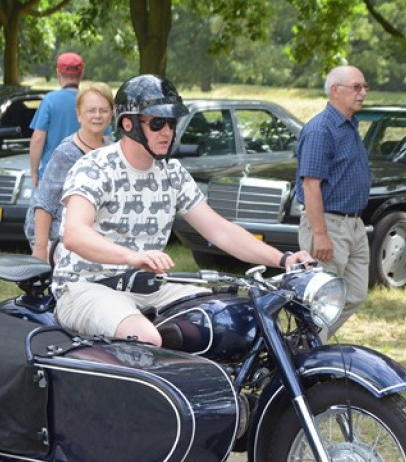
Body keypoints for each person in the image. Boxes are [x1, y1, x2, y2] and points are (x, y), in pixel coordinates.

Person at [52, 74, 313, 346]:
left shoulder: (172, 173)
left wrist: (284, 260)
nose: (167, 131)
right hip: (86, 287)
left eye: (171, 122)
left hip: (148, 286)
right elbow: (75, 234)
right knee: (146, 338)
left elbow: (219, 230)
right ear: (128, 124)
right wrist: (132, 257)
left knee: (226, 319)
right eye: (157, 123)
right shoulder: (95, 167)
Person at [295, 65, 371, 337]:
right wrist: (320, 235)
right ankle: (304, 354)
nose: (363, 93)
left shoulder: (349, 125)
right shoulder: (320, 130)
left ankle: (311, 345)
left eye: (364, 87)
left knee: (355, 294)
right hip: (328, 224)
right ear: (335, 90)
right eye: (356, 87)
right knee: (321, 301)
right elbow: (310, 185)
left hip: (353, 224)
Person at [27, 81, 113, 262]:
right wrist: (40, 250)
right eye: (91, 110)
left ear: (111, 115)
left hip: (104, 242)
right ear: (79, 115)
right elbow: (45, 204)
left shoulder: (111, 152)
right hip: (69, 245)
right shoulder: (67, 153)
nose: (97, 116)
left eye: (103, 110)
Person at [29, 52, 83, 188]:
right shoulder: (90, 101)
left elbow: (37, 139)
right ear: (81, 74)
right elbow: (106, 139)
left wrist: (34, 171)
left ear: (58, 73)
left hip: (51, 176)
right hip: (83, 175)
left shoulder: (50, 101)